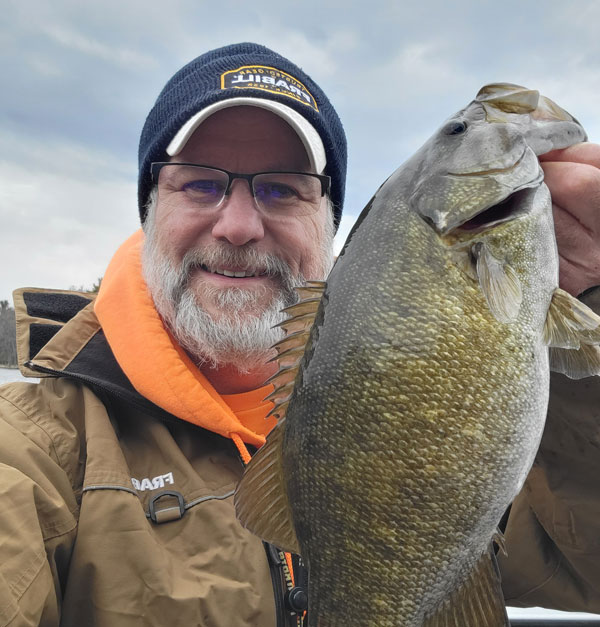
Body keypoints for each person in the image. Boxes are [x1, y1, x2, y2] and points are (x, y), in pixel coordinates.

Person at [0, 41, 599, 627]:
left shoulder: (444, 421)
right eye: (200, 184)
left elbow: (587, 567)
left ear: (331, 227)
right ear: (149, 210)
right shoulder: (29, 447)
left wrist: (588, 304)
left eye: (282, 188)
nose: (237, 226)